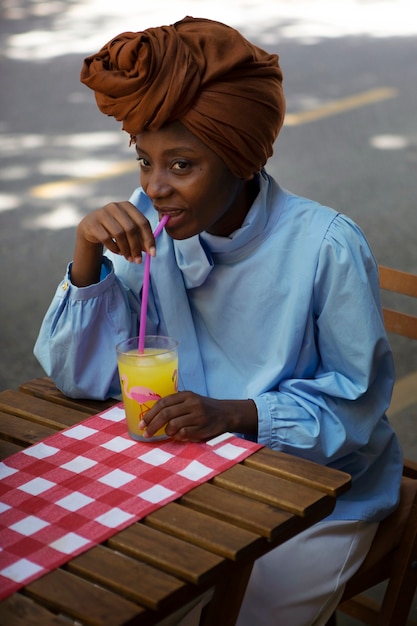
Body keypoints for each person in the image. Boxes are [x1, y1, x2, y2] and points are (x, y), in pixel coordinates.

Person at [34, 16, 403, 626]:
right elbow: (85, 378)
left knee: (247, 610)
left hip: (315, 485)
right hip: (190, 464)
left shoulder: (324, 246)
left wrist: (232, 412)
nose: (156, 188)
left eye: (182, 165)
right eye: (144, 161)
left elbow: (354, 410)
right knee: (120, 586)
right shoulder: (149, 230)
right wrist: (86, 255)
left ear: (239, 159)